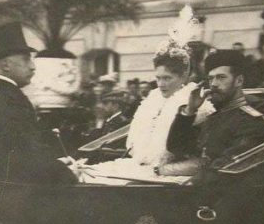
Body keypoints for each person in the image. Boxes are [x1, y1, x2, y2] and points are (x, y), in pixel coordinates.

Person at [0, 22, 78, 185]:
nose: (33, 67)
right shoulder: (9, 99)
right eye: (26, 60)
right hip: (13, 195)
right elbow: (24, 155)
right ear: (6, 65)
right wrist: (65, 172)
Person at [85, 45, 204, 182]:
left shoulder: (194, 104)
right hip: (141, 166)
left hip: (169, 174)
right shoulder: (153, 100)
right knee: (88, 174)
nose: (160, 84)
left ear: (183, 76)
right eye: (158, 78)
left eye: (167, 78)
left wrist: (158, 169)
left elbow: (193, 157)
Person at [167, 49, 264, 181]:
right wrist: (190, 110)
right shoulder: (214, 118)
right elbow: (176, 147)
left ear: (239, 81)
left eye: (221, 77)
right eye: (210, 78)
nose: (214, 84)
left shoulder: (250, 122)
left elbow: (224, 170)